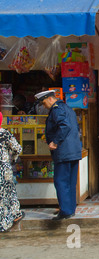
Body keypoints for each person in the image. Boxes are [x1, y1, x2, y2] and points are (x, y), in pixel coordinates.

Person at [34, 90, 82, 220]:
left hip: (64, 152)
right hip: (73, 151)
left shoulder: (56, 110)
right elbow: (75, 129)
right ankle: (70, 209)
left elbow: (64, 126)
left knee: (61, 181)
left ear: (50, 99)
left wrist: (55, 141)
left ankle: (65, 211)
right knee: (71, 182)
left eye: (44, 103)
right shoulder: (67, 108)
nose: (44, 106)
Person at [0, 111, 25, 231]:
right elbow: (17, 148)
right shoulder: (4, 134)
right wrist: (13, 159)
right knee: (8, 192)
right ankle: (13, 216)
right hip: (3, 169)